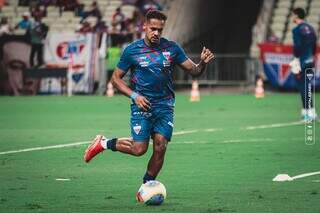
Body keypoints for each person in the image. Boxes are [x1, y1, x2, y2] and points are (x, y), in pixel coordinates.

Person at [84, 10, 214, 184]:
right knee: (139, 149)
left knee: (161, 146)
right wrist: (135, 96)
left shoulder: (172, 48)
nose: (156, 33)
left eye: (160, 30)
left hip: (165, 105)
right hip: (142, 105)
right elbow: (115, 79)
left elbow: (195, 71)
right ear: (144, 26)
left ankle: (147, 185)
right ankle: (103, 143)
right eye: (153, 28)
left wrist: (203, 63)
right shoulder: (132, 51)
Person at [291, 7, 318, 121]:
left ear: (296, 16)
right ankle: (311, 112)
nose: (292, 17)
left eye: (293, 15)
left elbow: (297, 46)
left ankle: (308, 114)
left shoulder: (297, 30)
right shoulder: (311, 28)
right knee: (308, 86)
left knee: (303, 87)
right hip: (311, 60)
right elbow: (315, 45)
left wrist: (296, 59)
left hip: (302, 61)